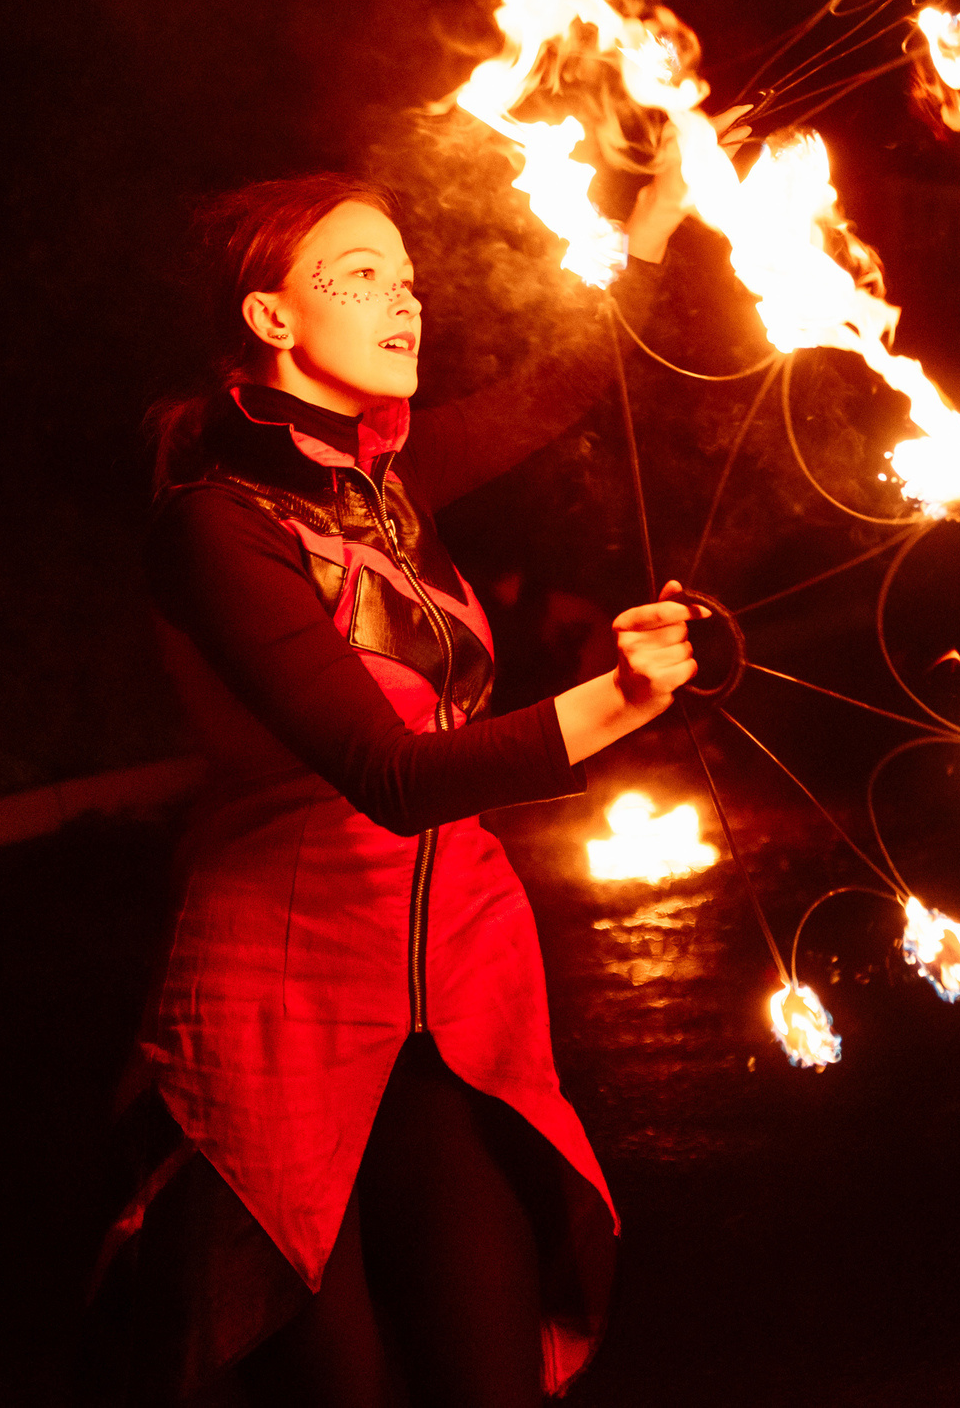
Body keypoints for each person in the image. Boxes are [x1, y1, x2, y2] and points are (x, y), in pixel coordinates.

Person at [79, 160, 699, 1408]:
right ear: (271, 317)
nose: (403, 303)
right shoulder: (216, 525)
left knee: (491, 1376)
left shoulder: (390, 487)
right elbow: (393, 774)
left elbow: (571, 383)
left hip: (456, 1015)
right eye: (359, 278)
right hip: (280, 1015)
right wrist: (618, 702)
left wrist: (650, 223)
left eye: (408, 280)